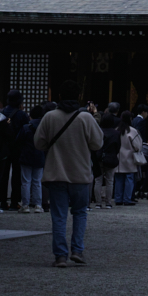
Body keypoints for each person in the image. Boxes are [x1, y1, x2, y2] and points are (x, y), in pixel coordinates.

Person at [34, 81, 104, 268]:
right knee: (80, 213)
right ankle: (77, 251)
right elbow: (97, 144)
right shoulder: (85, 118)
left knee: (58, 215)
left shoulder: (50, 117)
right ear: (78, 97)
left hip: (56, 172)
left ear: (59, 96)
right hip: (80, 173)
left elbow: (39, 144)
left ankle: (60, 256)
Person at [16, 106, 47, 213]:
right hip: (39, 156)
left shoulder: (26, 127)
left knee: (25, 181)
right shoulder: (45, 128)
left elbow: (18, 142)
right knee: (37, 181)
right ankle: (38, 205)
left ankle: (25, 205)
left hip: (26, 156)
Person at [113, 111, 143, 207]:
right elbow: (138, 146)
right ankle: (127, 199)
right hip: (129, 157)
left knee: (118, 179)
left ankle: (118, 198)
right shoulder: (132, 131)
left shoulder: (116, 129)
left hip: (118, 157)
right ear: (130, 119)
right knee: (129, 178)